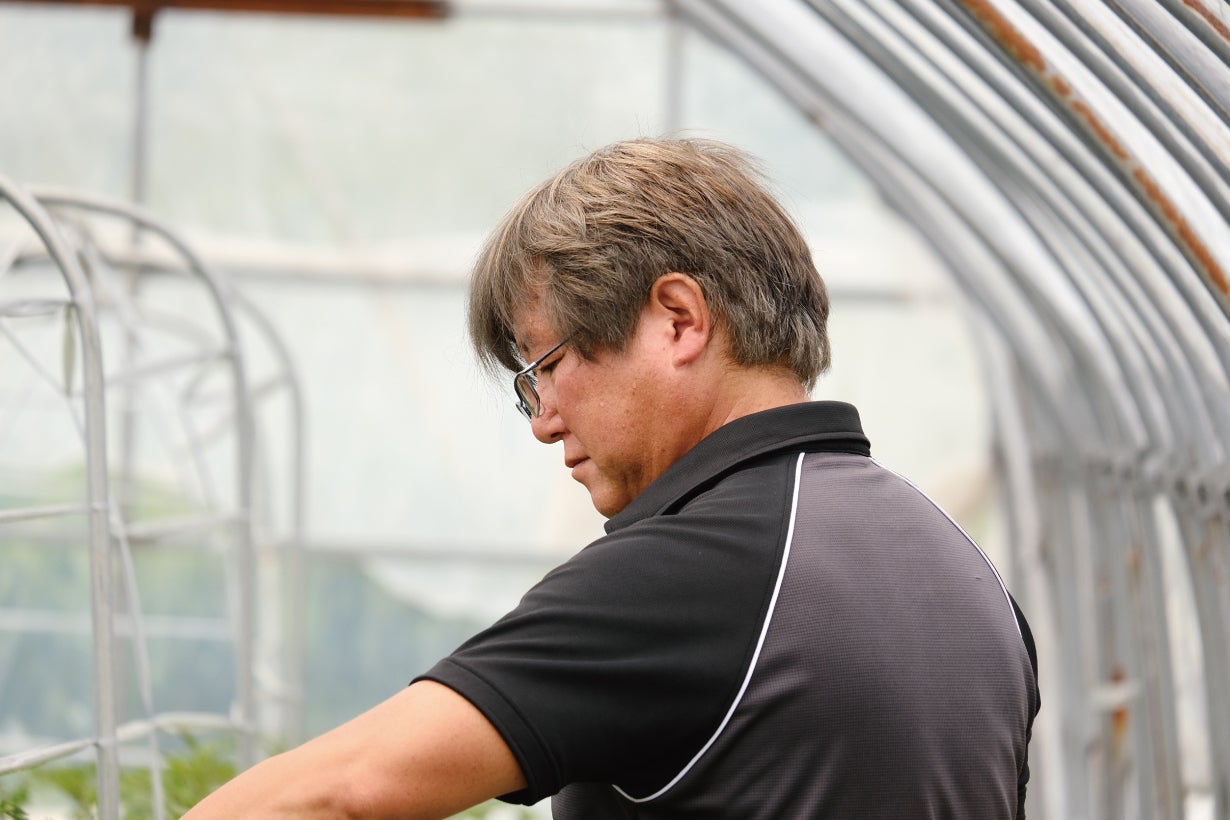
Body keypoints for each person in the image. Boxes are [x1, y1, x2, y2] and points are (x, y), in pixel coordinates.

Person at [185, 137, 1039, 819]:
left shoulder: (693, 573)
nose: (545, 418)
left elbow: (338, 793)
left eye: (547, 367)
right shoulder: (965, 572)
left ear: (678, 321)